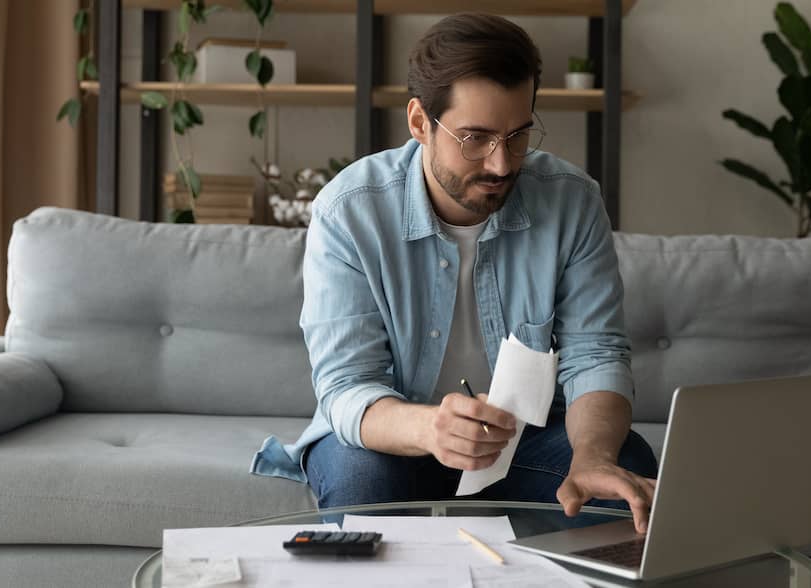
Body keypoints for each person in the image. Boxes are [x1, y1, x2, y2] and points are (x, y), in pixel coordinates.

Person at [251, 12, 658, 532]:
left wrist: (594, 457)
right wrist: (432, 428)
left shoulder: (572, 201)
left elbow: (595, 354)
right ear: (420, 122)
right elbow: (347, 388)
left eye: (517, 135)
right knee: (362, 482)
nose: (502, 164)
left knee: (626, 473)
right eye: (475, 138)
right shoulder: (349, 212)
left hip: (527, 440)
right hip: (392, 439)